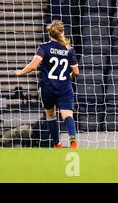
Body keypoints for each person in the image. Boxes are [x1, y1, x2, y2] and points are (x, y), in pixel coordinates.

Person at [14, 20, 79, 149]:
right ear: (62, 32)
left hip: (48, 88)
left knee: (50, 115)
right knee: (67, 115)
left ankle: (57, 144)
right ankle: (73, 141)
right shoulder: (69, 49)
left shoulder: (44, 47)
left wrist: (21, 72)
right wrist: (67, 77)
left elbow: (33, 66)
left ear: (49, 34)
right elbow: (76, 72)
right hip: (64, 88)